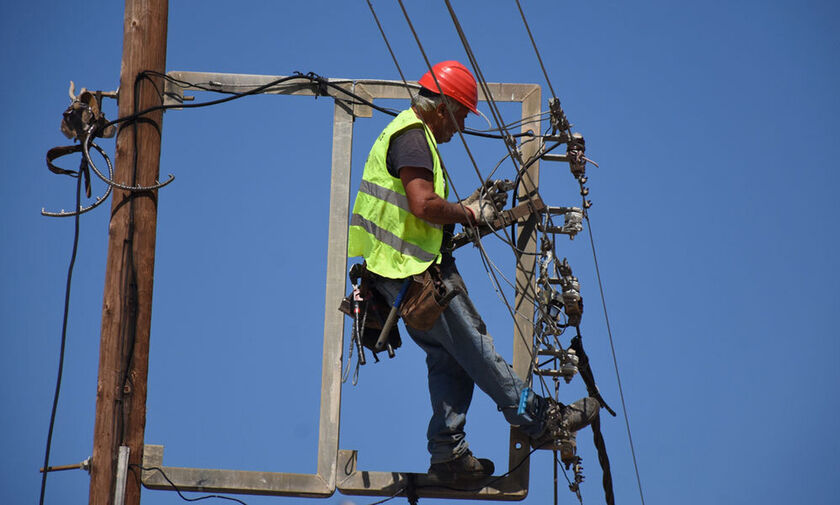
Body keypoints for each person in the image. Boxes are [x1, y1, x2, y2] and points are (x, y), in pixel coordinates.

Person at [347, 60, 599, 480]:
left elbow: (416, 213)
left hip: (398, 277)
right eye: (462, 114)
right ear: (442, 107)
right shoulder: (412, 137)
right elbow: (424, 206)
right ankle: (541, 421)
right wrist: (467, 212)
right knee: (477, 349)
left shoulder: (409, 135)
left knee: (451, 360)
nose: (461, 126)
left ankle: (448, 455)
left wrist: (467, 209)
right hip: (416, 274)